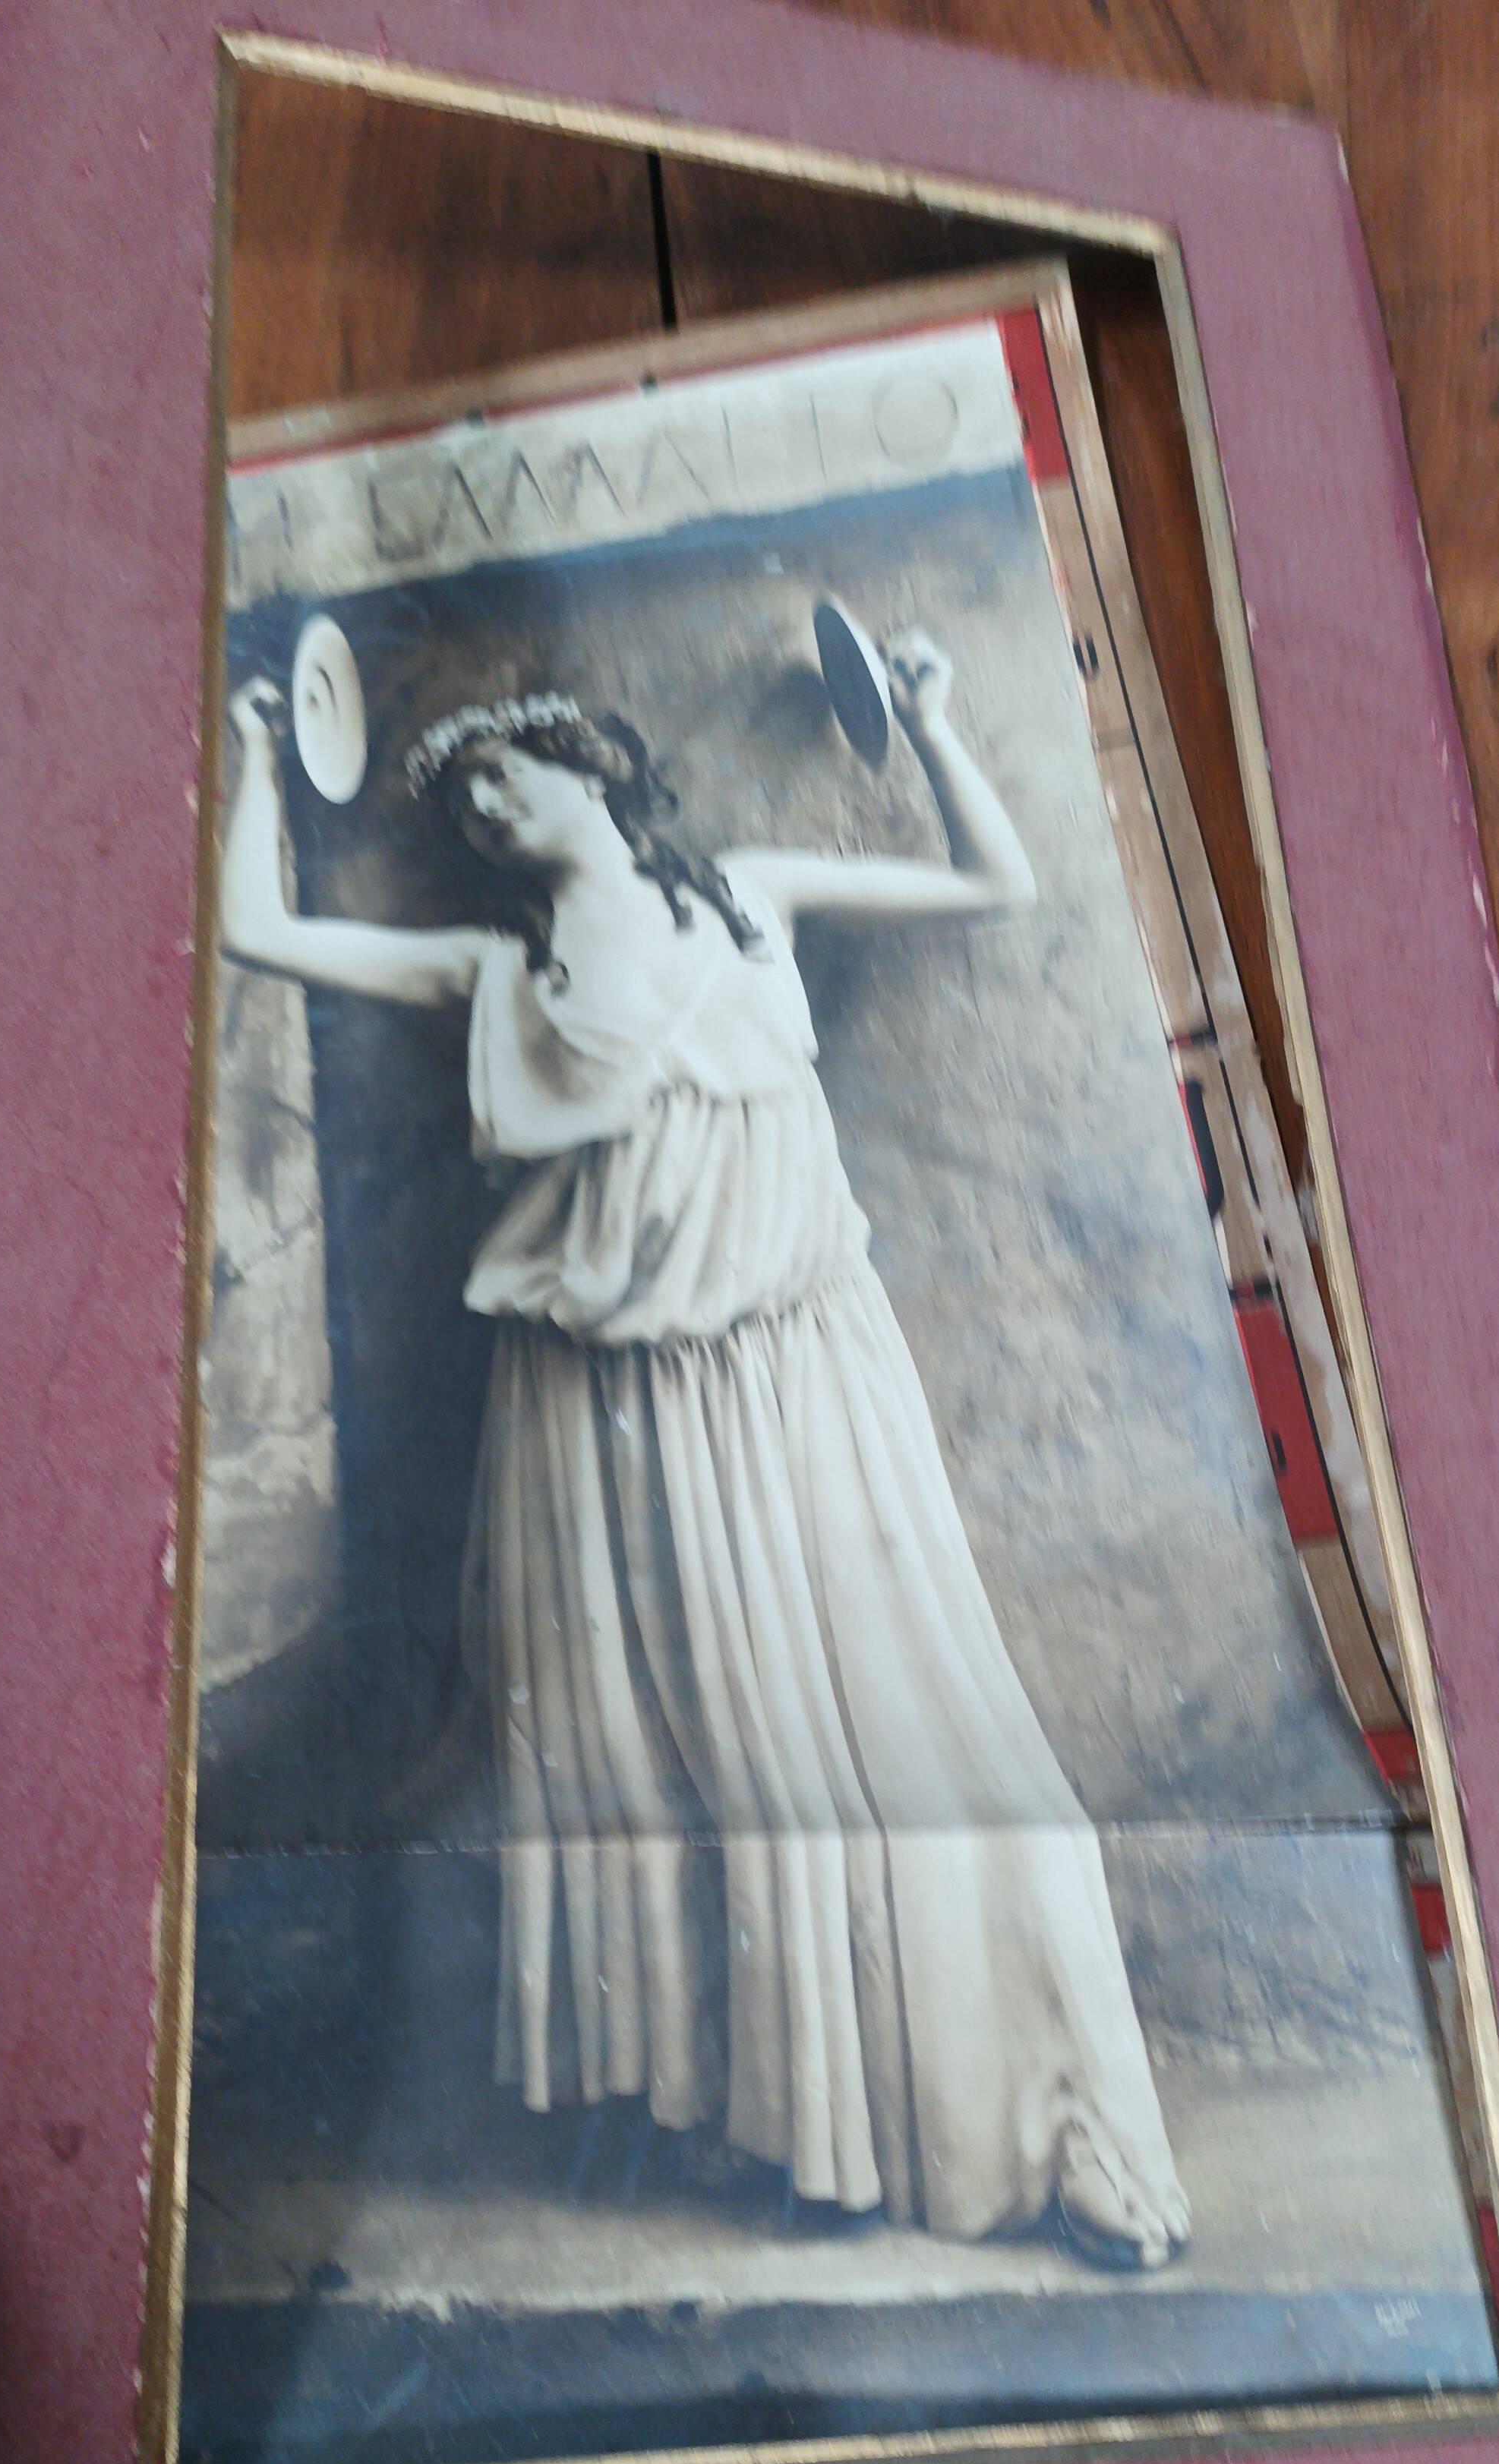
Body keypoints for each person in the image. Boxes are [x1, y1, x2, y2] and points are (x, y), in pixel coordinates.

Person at [219, 632, 1191, 2269]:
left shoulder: (749, 896)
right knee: (685, 1773)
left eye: (506, 773)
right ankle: (784, 2129)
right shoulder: (495, 972)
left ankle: (1033, 2119)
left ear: (596, 768)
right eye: (463, 803)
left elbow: (991, 877)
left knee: (889, 1731)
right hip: (599, 1424)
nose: (486, 808)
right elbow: (257, 931)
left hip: (798, 1381)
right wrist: (259, 752)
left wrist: (938, 720)